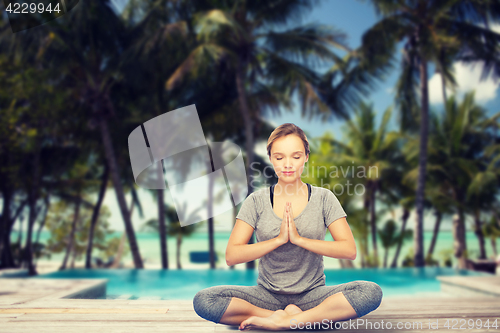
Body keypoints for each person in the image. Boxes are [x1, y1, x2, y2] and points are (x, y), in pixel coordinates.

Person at [193, 123, 383, 330]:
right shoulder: (256, 201)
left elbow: (349, 250)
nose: (288, 164)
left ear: (306, 157)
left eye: (296, 156)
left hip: (312, 294)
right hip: (266, 296)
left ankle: (289, 320)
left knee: (369, 292)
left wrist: (299, 240)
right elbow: (232, 255)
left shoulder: (324, 198)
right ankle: (286, 317)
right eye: (279, 157)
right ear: (271, 159)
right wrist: (279, 240)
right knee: (205, 300)